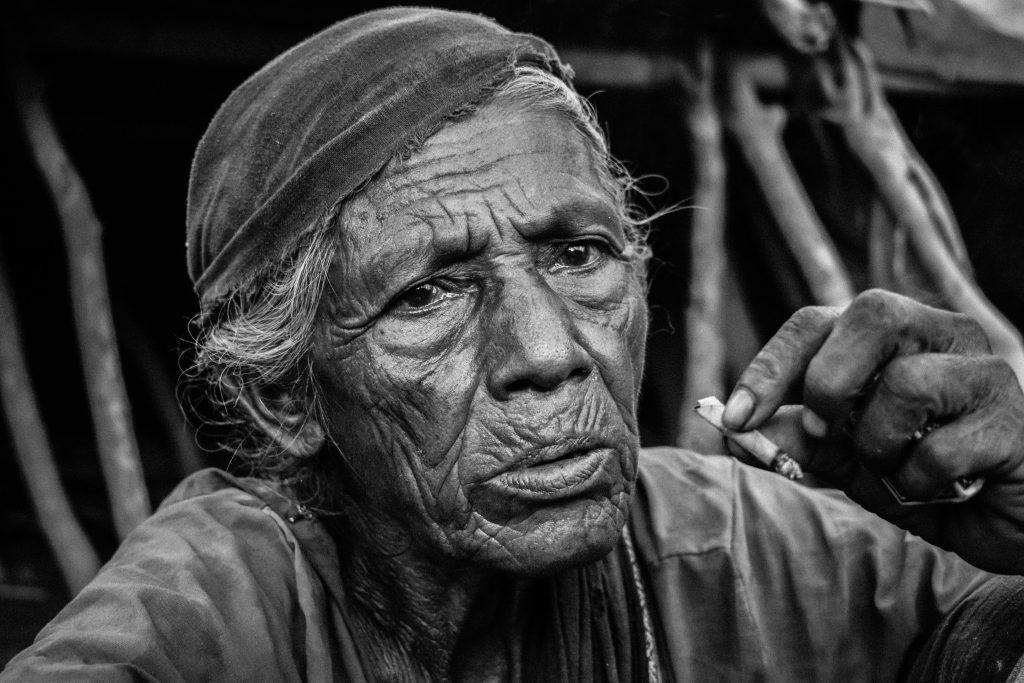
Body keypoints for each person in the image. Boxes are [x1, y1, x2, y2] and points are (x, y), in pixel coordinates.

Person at [6, 7, 1024, 681]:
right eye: (427, 294)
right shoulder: (205, 618)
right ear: (289, 397)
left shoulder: (739, 548)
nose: (547, 351)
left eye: (578, 253)